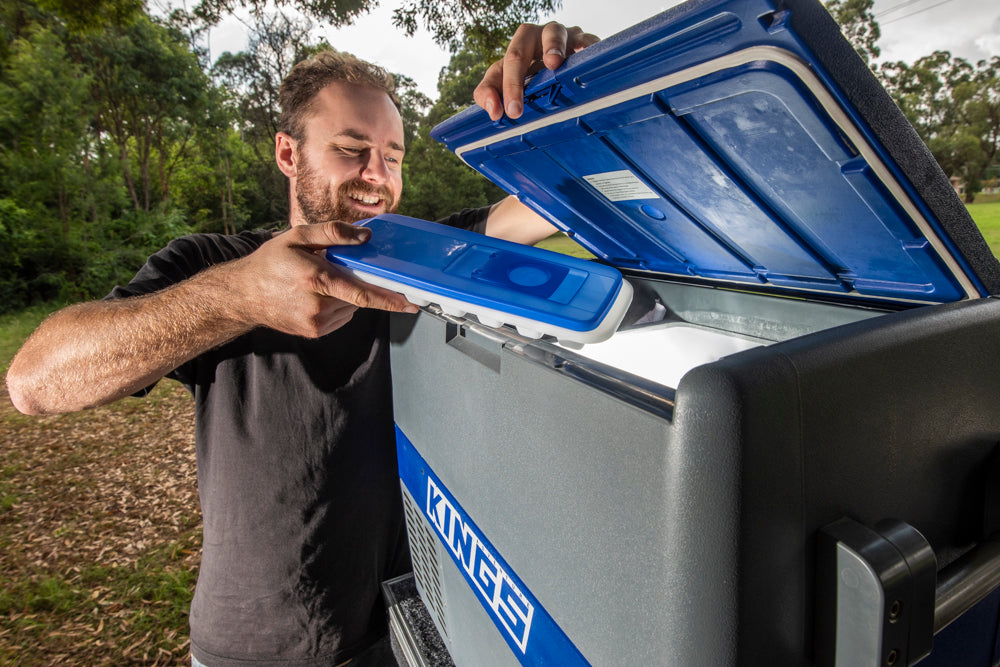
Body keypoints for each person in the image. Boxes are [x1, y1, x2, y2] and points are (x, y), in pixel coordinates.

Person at [6, 21, 598, 667]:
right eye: (352, 149)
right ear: (289, 155)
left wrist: (584, 94)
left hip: (402, 629)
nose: (378, 176)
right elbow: (34, 382)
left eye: (393, 156)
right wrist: (239, 297)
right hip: (250, 648)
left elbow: (565, 200)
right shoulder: (215, 262)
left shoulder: (426, 260)